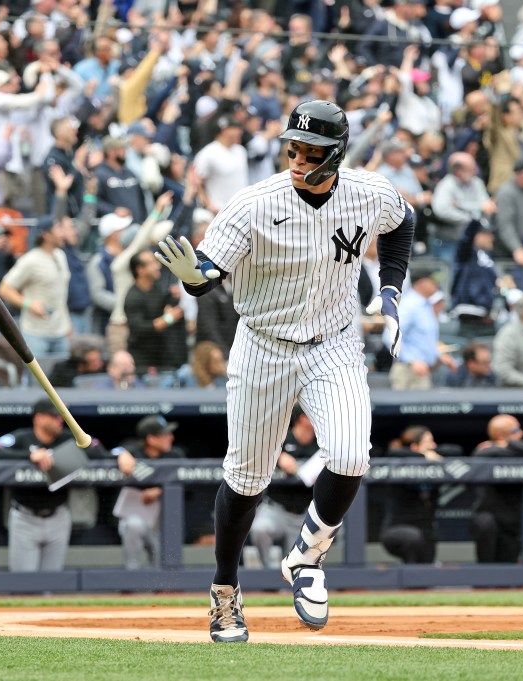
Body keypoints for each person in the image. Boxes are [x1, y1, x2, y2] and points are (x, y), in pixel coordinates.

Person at [154, 100, 414, 641]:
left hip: (334, 341)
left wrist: (390, 287)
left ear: (334, 155)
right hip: (263, 344)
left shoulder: (366, 192)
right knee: (246, 479)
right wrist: (193, 279)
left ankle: (308, 557)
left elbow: (403, 219)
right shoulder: (253, 203)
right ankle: (226, 592)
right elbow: (206, 272)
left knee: (349, 454)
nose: (297, 158)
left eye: (310, 151)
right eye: (292, 148)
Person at [0, 398, 116, 572]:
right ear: (39, 418)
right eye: (54, 416)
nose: (60, 420)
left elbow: (98, 449)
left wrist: (120, 454)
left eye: (61, 416)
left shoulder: (67, 438)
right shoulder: (22, 437)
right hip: (25, 517)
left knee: (52, 583)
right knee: (23, 582)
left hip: (59, 515)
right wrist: (29, 456)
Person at [247, 406, 320, 569]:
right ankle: (268, 571)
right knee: (260, 528)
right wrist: (278, 456)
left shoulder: (323, 443)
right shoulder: (281, 439)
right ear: (303, 418)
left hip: (305, 513)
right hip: (276, 509)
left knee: (298, 567)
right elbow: (255, 447)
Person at [112, 415, 186, 570]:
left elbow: (190, 490)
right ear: (151, 439)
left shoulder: (175, 455)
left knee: (162, 564)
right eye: (165, 434)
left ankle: (164, 589)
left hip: (162, 522)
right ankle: (131, 581)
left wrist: (160, 491)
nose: (171, 437)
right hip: (134, 516)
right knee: (133, 525)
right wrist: (121, 453)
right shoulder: (132, 450)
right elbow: (110, 450)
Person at [470, 415, 523, 563]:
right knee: (485, 523)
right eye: (516, 430)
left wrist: (506, 445)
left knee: (508, 565)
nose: (521, 433)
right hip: (490, 516)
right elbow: (481, 452)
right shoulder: (486, 451)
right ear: (499, 435)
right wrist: (506, 447)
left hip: (513, 520)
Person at [0, 217, 71, 357]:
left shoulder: (61, 256)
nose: (63, 233)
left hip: (61, 332)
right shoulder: (30, 260)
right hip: (36, 334)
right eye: (59, 229)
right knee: (35, 378)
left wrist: (67, 324)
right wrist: (28, 304)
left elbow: (61, 294)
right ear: (46, 235)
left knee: (61, 378)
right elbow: (4, 289)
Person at [380, 426, 444, 565]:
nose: (433, 446)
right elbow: (394, 453)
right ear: (415, 446)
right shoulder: (400, 461)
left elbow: (454, 451)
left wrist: (432, 456)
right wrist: (423, 456)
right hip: (396, 530)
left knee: (427, 564)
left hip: (426, 530)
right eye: (429, 442)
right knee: (413, 537)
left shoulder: (436, 460)